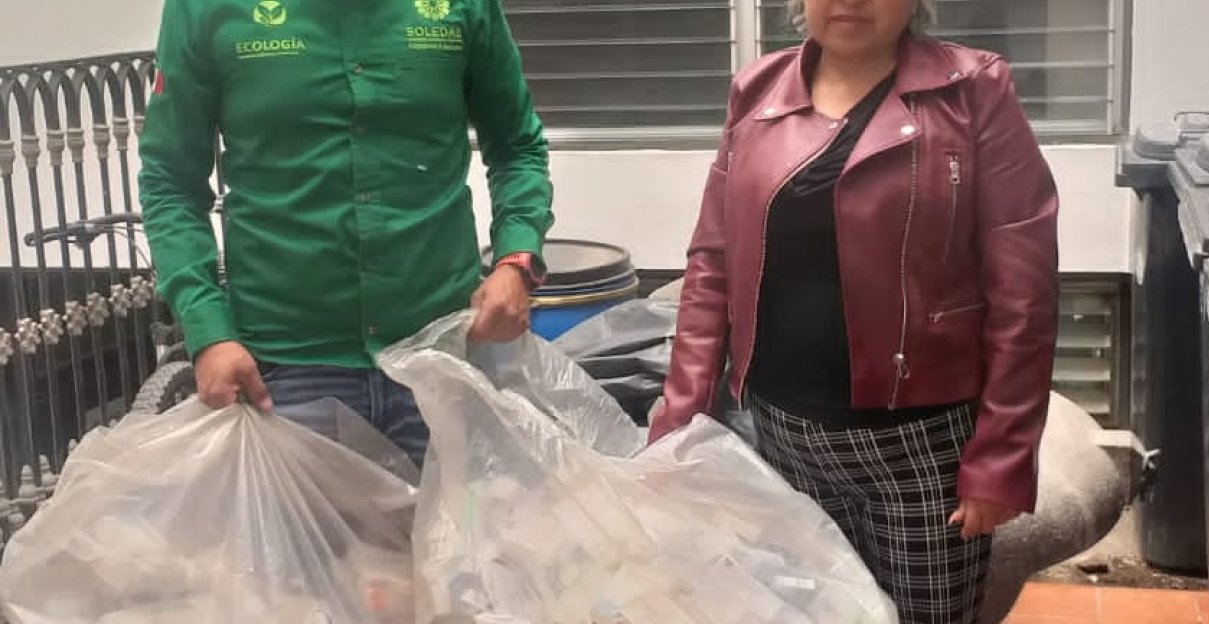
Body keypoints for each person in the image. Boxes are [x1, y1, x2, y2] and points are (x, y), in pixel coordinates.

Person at [649, 0, 1060, 621]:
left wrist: (1002, 457)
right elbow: (713, 263)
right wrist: (679, 421)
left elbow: (1024, 289)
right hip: (783, 439)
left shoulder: (972, 91)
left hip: (921, 450)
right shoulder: (757, 91)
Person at [138, 0, 552, 466]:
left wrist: (515, 261)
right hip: (284, 371)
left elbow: (517, 146)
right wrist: (208, 331)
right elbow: (169, 183)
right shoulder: (204, 8)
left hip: (440, 357)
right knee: (295, 520)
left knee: (455, 516)